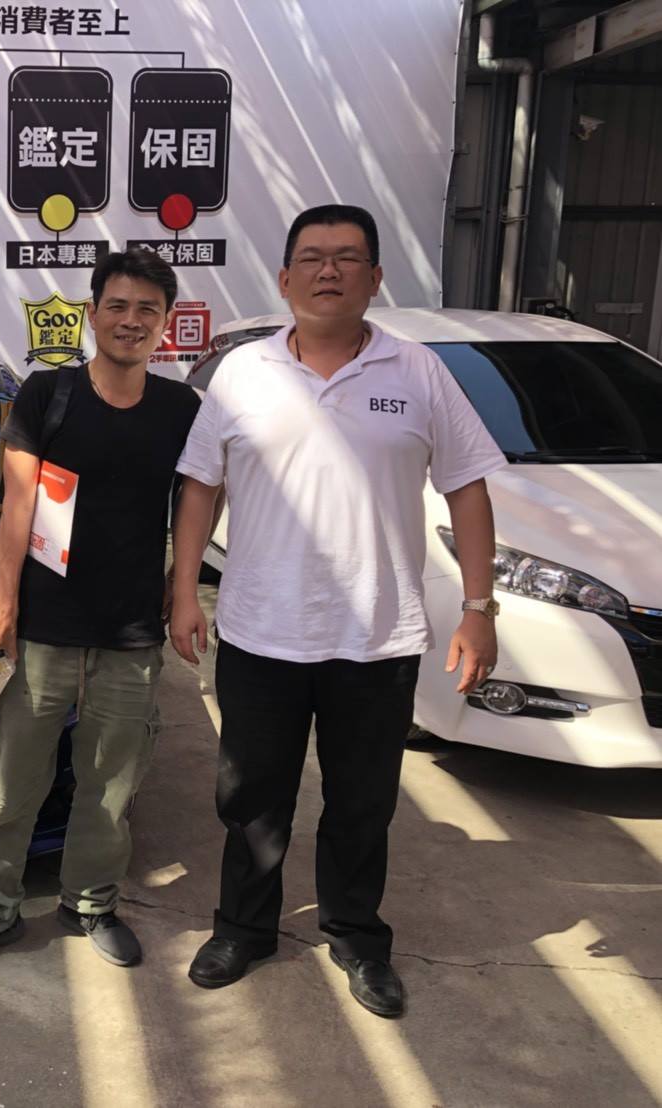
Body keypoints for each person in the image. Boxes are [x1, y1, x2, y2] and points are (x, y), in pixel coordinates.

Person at [169, 204, 504, 1018]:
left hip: (377, 637)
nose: (330, 270)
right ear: (285, 278)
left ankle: (357, 937)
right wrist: (181, 591)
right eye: (313, 257)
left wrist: (479, 608)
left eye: (348, 257)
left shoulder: (417, 371)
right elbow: (201, 486)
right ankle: (244, 929)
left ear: (375, 278)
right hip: (261, 631)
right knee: (252, 797)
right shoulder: (243, 373)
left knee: (362, 802)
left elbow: (467, 487)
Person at [0, 250, 201, 975]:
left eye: (147, 310)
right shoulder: (48, 394)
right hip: (43, 634)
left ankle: (89, 904)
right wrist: (4, 610)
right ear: (92, 313)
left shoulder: (181, 410)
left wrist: (182, 593)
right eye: (118, 306)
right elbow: (18, 507)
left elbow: (197, 502)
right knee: (11, 789)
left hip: (130, 635)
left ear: (166, 323)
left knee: (110, 790)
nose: (131, 321)